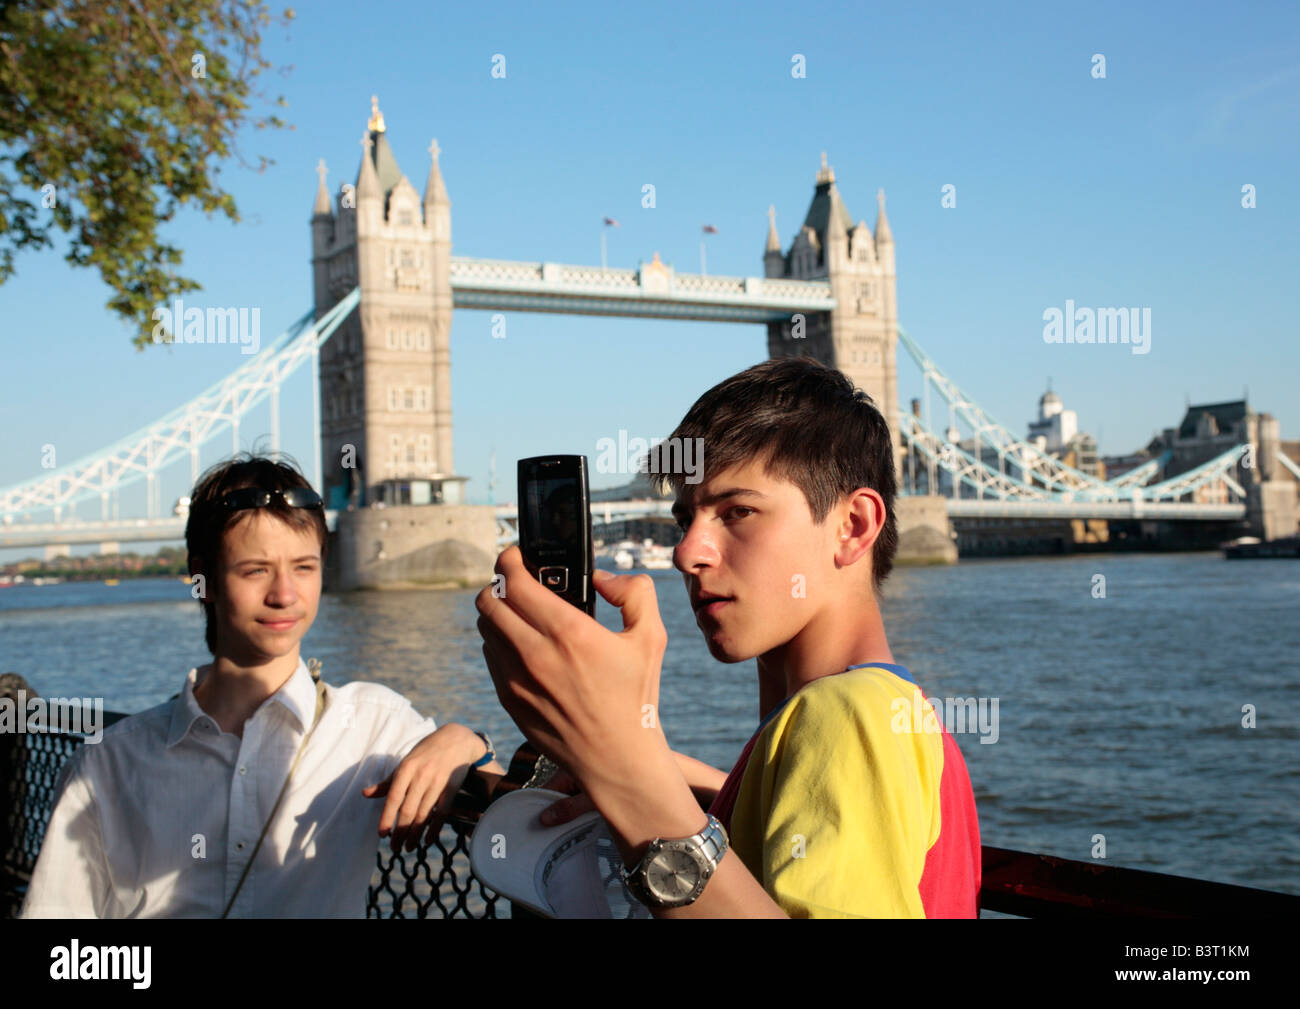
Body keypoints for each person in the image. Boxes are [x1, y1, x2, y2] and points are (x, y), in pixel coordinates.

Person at [476, 358, 981, 917]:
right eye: (683, 520)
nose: (686, 553)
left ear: (853, 526)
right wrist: (637, 764)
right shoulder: (883, 715)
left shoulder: (848, 716)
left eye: (738, 511)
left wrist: (623, 763)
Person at [22, 453, 502, 918]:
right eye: (255, 570)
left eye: (304, 567)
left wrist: (466, 743)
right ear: (202, 578)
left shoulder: (373, 724)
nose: (285, 595)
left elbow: (513, 806)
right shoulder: (109, 764)